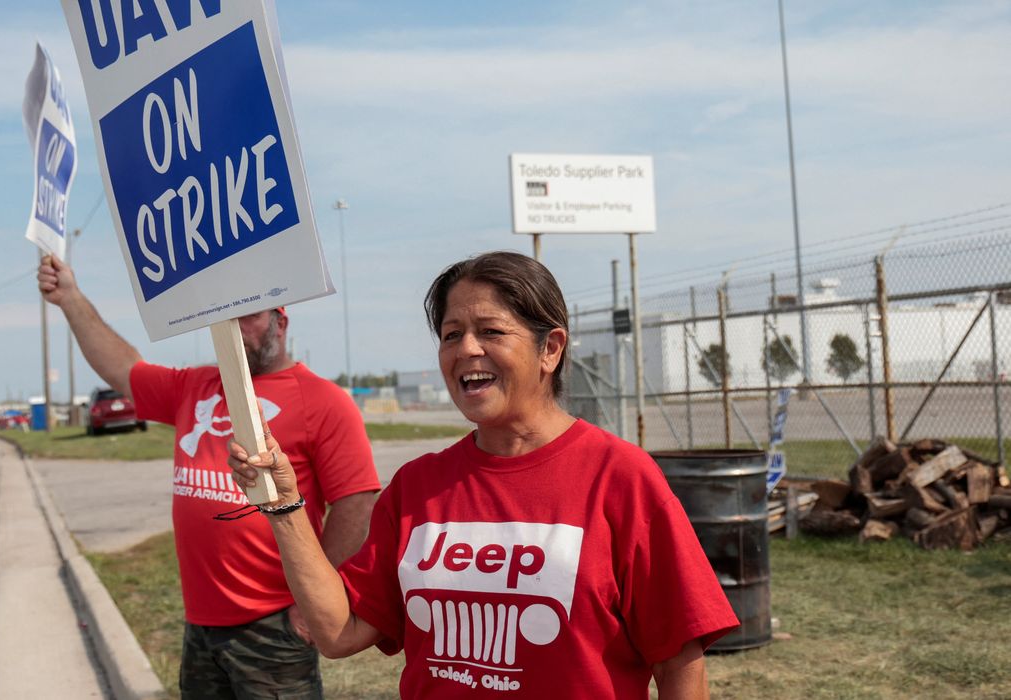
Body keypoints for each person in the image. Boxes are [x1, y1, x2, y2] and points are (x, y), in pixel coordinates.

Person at [228, 251, 739, 698]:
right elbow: (340, 632)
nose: (466, 349)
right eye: (452, 335)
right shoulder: (418, 486)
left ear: (550, 348)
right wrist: (283, 505)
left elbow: (678, 661)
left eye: (490, 331)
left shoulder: (621, 477)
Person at [37, 254, 381, 698]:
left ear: (281, 320)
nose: (237, 329)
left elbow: (358, 504)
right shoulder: (194, 386)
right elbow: (123, 369)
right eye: (225, 319)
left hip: (276, 623)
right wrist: (69, 297)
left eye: (250, 316)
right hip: (201, 622)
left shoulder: (323, 401)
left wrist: (314, 603)